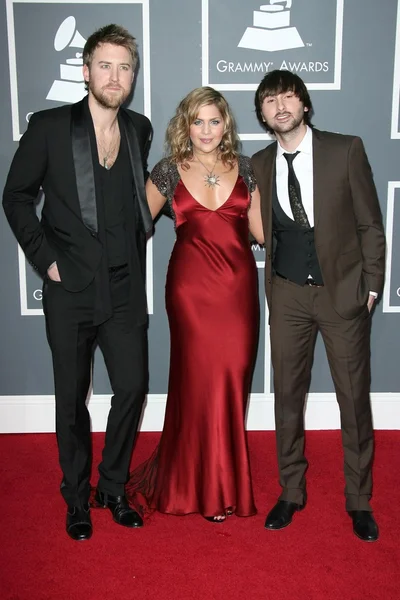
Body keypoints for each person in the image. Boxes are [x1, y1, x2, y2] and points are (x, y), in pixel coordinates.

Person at [3, 24, 153, 541]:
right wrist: (46, 261)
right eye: (105, 65)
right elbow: (16, 197)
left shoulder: (139, 129)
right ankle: (76, 497)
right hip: (70, 290)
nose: (116, 76)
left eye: (125, 67)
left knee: (132, 387)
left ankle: (112, 487)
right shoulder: (48, 127)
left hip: (126, 285)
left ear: (133, 76)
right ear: (86, 71)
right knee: (71, 398)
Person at [251, 70, 385, 541]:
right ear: (263, 113)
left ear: (304, 104)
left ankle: (359, 499)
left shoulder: (344, 149)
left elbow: (371, 222)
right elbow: (254, 227)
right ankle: (290, 491)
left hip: (341, 292)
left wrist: (371, 286)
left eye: (288, 96)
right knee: (287, 396)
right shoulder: (259, 163)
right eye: (270, 100)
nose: (280, 106)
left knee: (353, 398)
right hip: (286, 294)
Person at [126, 86, 264, 522]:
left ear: (226, 125)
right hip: (191, 291)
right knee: (198, 380)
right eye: (197, 121)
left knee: (231, 381)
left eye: (214, 120)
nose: (206, 130)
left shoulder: (246, 168)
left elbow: (263, 233)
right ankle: (201, 485)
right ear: (185, 124)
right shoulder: (168, 170)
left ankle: (221, 480)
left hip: (237, 292)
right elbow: (133, 226)